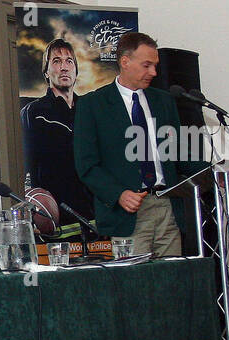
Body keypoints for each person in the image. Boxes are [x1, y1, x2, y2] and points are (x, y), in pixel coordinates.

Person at [73, 31, 195, 257]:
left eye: (155, 66)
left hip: (168, 207)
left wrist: (219, 172)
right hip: (127, 212)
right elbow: (87, 165)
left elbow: (181, 154)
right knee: (136, 287)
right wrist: (118, 193)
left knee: (173, 282)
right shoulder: (93, 105)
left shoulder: (164, 101)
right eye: (147, 65)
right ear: (125, 62)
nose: (154, 72)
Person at [20, 38, 94, 227]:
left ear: (76, 71)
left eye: (69, 61)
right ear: (46, 71)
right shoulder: (34, 112)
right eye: (56, 61)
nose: (64, 67)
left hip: (93, 215)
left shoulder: (90, 110)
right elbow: (27, 168)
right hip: (56, 217)